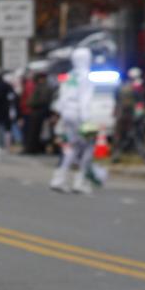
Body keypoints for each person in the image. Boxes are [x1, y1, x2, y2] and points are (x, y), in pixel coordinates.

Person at [50, 47, 95, 193]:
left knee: (72, 147)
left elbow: (61, 98)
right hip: (78, 114)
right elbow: (85, 100)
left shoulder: (70, 75)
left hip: (67, 114)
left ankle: (59, 178)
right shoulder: (86, 76)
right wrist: (86, 120)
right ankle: (79, 180)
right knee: (88, 146)